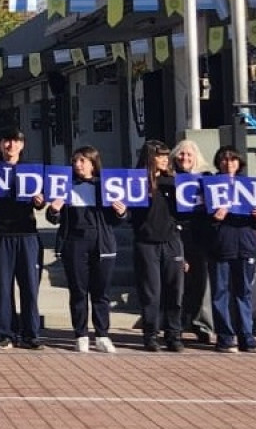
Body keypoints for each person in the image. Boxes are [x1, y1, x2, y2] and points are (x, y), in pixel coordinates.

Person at [45, 146, 126, 353]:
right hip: (74, 244)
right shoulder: (65, 185)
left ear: (93, 163)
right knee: (78, 291)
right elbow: (54, 218)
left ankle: (102, 334)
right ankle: (80, 334)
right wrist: (54, 209)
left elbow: (117, 220)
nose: (78, 165)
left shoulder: (106, 186)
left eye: (82, 160)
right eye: (75, 161)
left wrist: (121, 212)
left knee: (101, 292)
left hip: (102, 244)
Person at [0, 126, 45, 350]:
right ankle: (6, 333)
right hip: (0, 234)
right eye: (6, 141)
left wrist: (39, 201)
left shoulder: (32, 169)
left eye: (15, 141)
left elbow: (42, 201)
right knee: (2, 288)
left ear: (22, 145)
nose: (11, 145)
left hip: (27, 234)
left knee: (30, 288)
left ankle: (31, 334)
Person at [209, 145, 256, 353]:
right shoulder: (210, 185)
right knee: (220, 292)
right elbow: (202, 220)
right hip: (220, 246)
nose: (228, 163)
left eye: (232, 160)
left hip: (245, 245)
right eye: (224, 160)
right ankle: (225, 337)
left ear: (239, 162)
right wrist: (215, 219)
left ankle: (247, 337)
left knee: (244, 292)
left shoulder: (249, 186)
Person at [129, 139, 185, 352]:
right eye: (159, 155)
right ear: (149, 158)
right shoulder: (137, 183)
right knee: (151, 292)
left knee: (174, 291)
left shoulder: (175, 182)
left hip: (171, 241)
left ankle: (174, 335)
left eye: (165, 155)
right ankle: (151, 334)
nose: (164, 159)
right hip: (146, 243)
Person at [170, 139, 215, 345]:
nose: (185, 158)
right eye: (181, 154)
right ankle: (175, 325)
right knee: (178, 283)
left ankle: (201, 324)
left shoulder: (207, 178)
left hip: (202, 235)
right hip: (177, 234)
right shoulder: (169, 180)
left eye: (189, 155)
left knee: (202, 283)